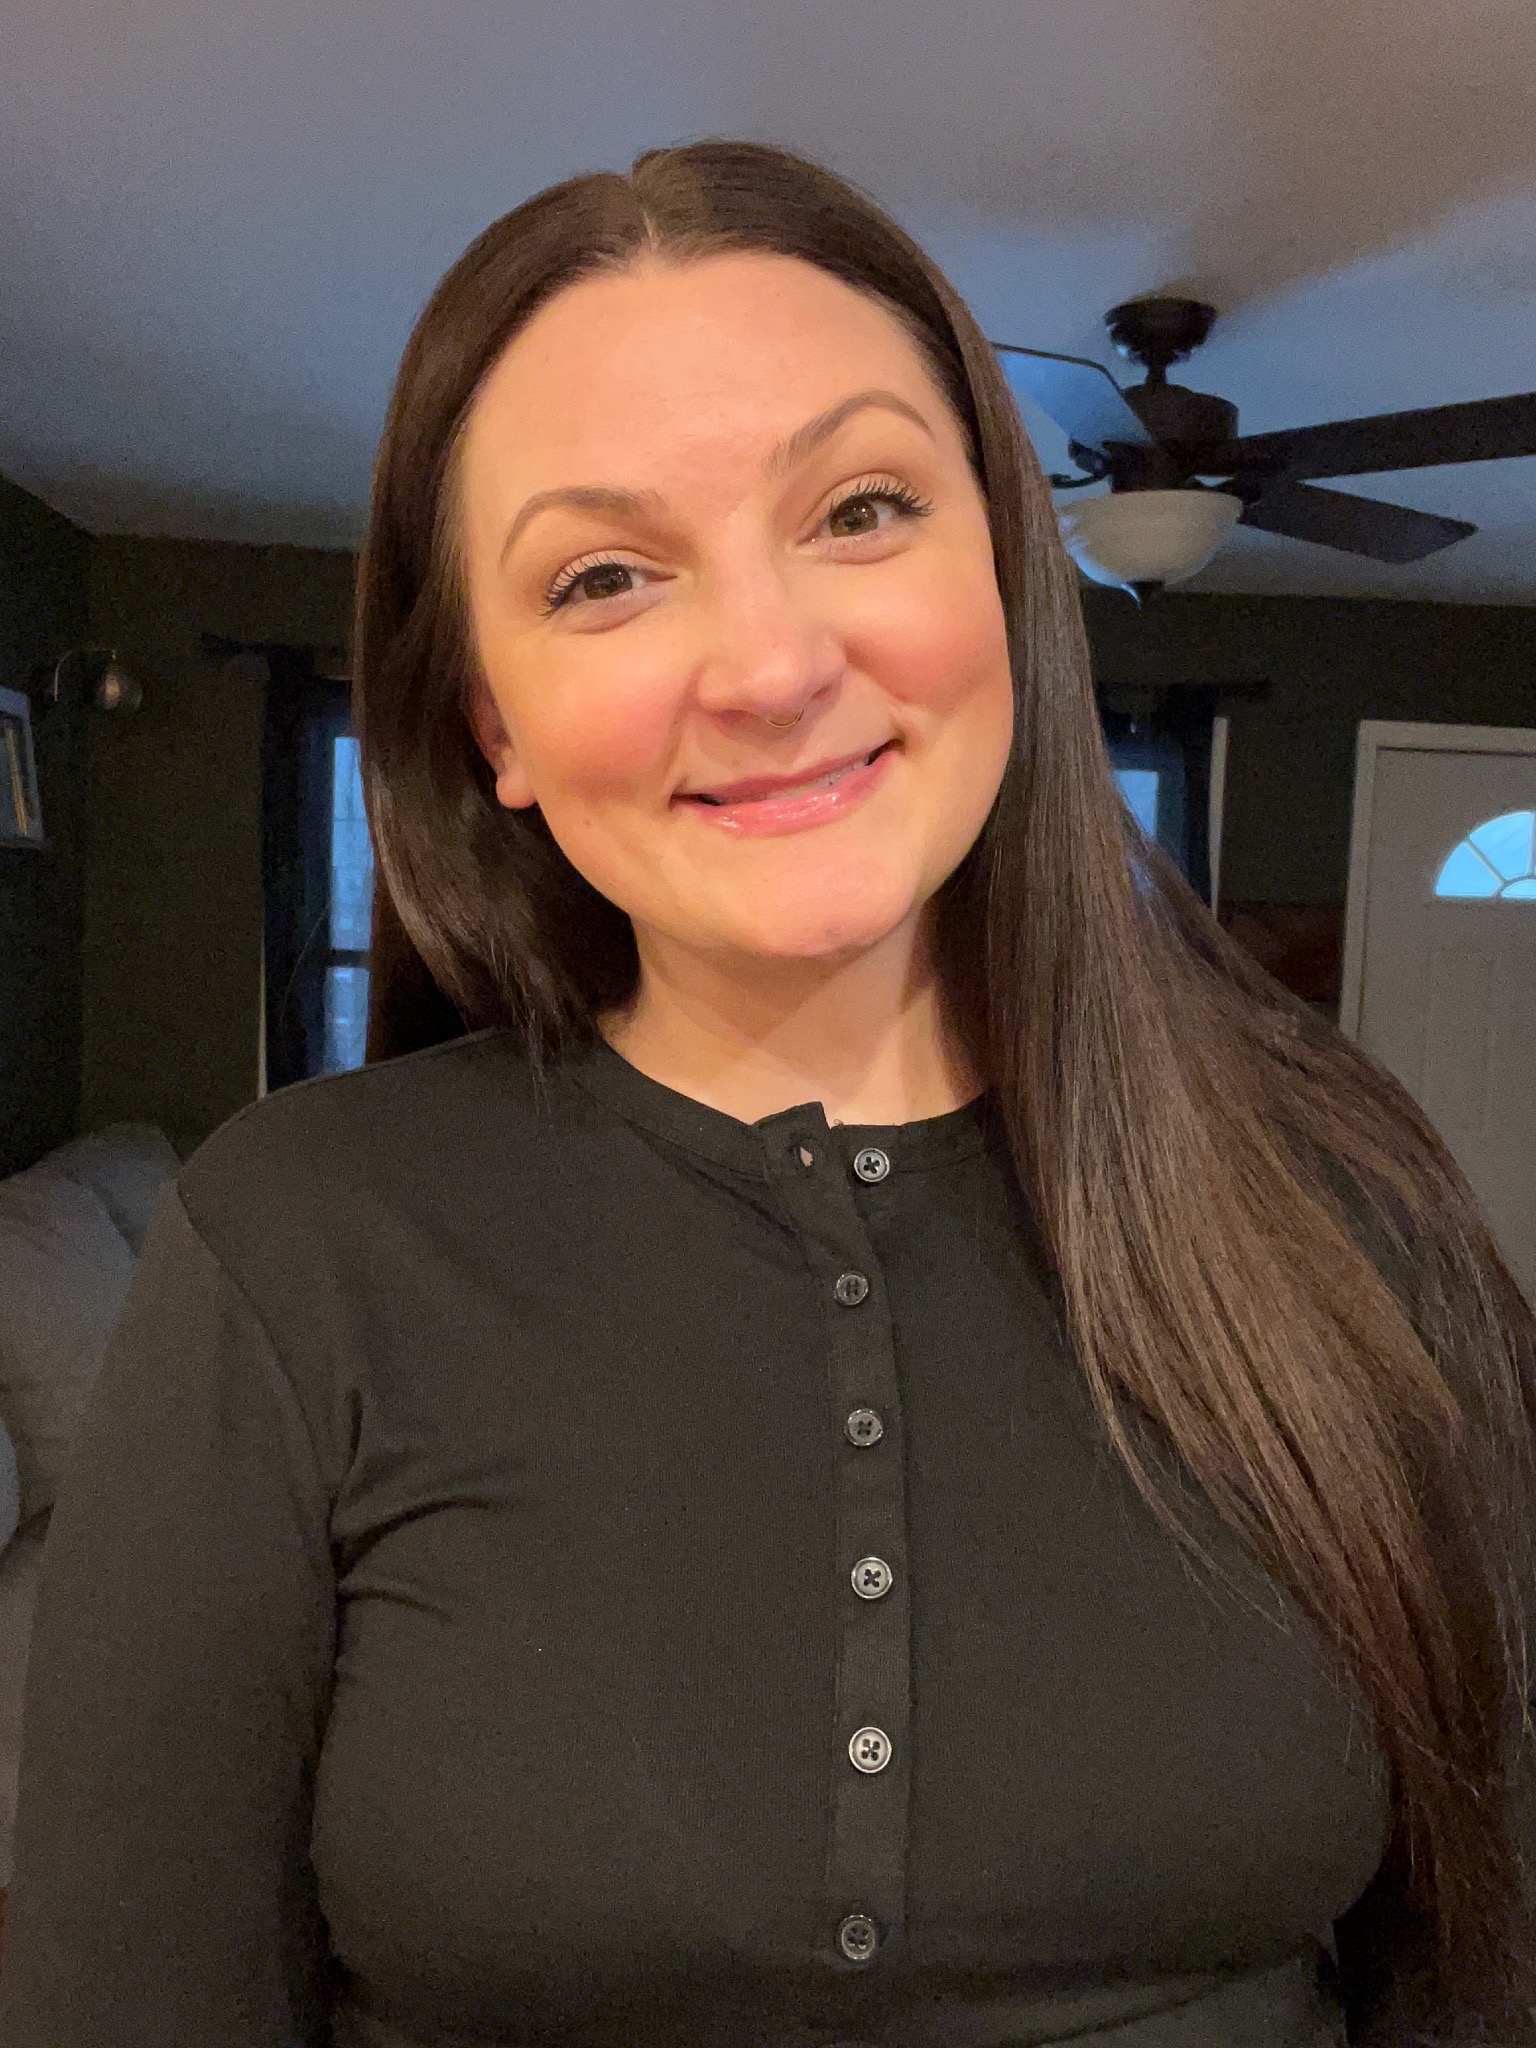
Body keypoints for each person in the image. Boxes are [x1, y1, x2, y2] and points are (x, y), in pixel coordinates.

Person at [2, 138, 1534, 2048]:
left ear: (1009, 577)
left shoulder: (1347, 1201)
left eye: (863, 507)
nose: (771, 664)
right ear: (494, 726)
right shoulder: (297, 1241)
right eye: (606, 576)